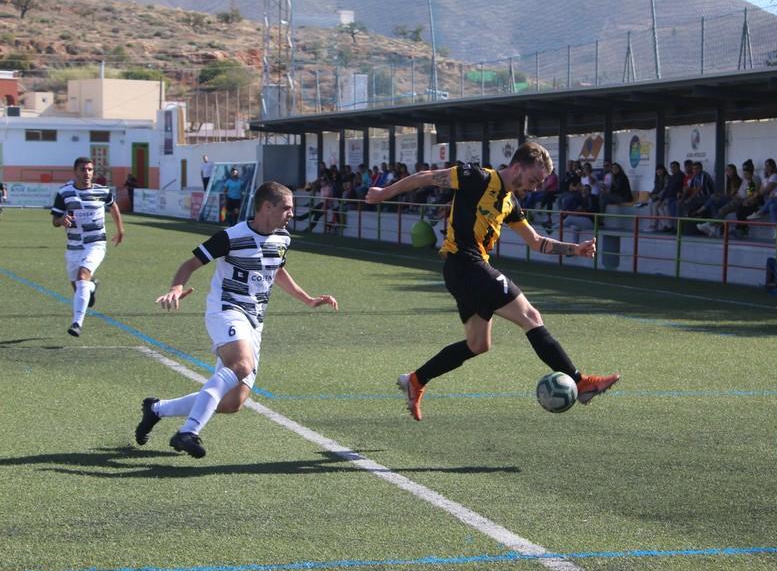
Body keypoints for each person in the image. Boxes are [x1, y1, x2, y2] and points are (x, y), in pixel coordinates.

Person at [365, 142, 620, 421]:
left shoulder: (510, 202)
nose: (535, 187)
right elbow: (425, 177)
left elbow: (535, 242)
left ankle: (415, 380)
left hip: (468, 271)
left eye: (539, 183)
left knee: (478, 345)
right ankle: (580, 382)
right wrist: (383, 193)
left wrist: (575, 249)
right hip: (464, 264)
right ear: (518, 167)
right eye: (534, 179)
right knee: (530, 316)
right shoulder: (477, 177)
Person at [135, 182, 338, 458]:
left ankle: (157, 409)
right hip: (226, 309)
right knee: (242, 364)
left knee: (232, 401)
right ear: (267, 207)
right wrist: (176, 288)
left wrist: (308, 299)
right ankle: (188, 431)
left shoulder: (283, 238)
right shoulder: (231, 237)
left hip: (255, 320)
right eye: (287, 208)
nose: (292, 213)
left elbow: (276, 271)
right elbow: (190, 264)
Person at [50, 157, 125, 337]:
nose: (87, 173)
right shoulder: (64, 193)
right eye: (83, 169)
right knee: (79, 287)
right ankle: (91, 288)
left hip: (96, 243)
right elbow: (54, 220)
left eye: (90, 170)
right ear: (75, 171)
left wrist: (120, 229)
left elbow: (113, 207)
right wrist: (62, 220)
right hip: (73, 246)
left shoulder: (102, 191)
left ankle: (77, 323)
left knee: (82, 274)